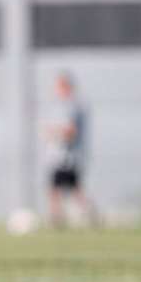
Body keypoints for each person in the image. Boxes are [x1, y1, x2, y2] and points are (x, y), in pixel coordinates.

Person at [47, 72, 96, 228]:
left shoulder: (72, 106)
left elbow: (70, 131)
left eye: (59, 87)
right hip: (60, 156)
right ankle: (58, 219)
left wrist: (53, 132)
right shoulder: (62, 106)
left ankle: (58, 220)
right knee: (64, 189)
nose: (57, 90)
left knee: (64, 189)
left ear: (66, 87)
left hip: (67, 157)